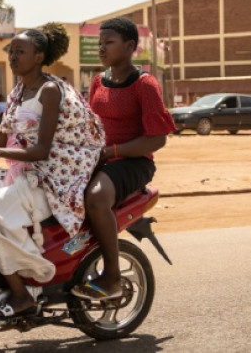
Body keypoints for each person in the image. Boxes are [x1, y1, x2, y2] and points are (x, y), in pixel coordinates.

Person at [0, 23, 104, 317]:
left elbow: (40, 150)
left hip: (50, 184)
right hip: (19, 176)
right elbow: (1, 137)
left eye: (20, 52)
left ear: (39, 56)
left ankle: (21, 291)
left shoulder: (49, 91)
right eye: (11, 51)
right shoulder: (19, 91)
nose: (13, 57)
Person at [73, 17, 175, 301]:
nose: (102, 48)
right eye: (100, 43)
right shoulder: (98, 81)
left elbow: (157, 139)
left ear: (130, 46)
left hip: (132, 162)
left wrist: (111, 152)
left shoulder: (144, 84)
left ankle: (112, 278)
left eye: (109, 42)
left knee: (95, 198)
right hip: (98, 159)